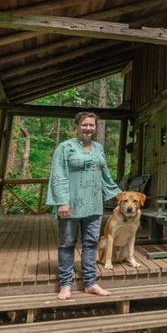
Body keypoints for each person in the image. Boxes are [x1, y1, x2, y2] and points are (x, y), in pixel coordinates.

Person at [46, 112, 121, 300]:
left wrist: (118, 193)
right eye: (85, 125)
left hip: (94, 205)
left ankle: (90, 283)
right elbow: (58, 175)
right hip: (70, 205)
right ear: (77, 126)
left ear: (95, 128)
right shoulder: (65, 148)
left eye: (92, 125)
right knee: (67, 244)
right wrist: (62, 201)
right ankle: (65, 285)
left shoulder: (98, 147)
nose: (88, 128)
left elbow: (105, 174)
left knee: (90, 244)